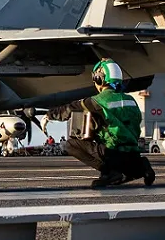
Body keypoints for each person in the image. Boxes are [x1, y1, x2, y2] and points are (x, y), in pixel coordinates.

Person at [63, 59, 155, 188]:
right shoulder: (131, 100)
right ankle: (142, 167)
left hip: (113, 154)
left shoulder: (99, 100)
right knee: (130, 165)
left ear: (99, 79)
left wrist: (50, 115)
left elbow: (72, 108)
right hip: (133, 154)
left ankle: (110, 173)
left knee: (70, 144)